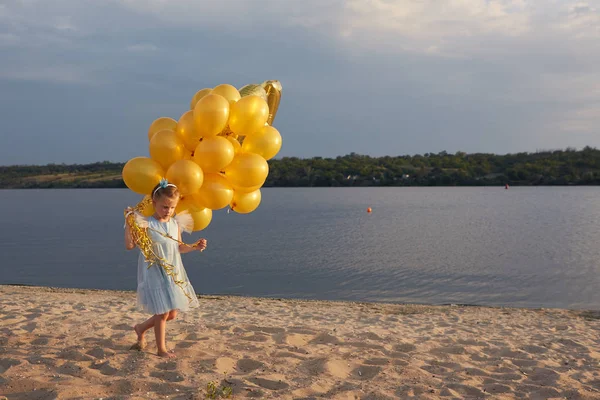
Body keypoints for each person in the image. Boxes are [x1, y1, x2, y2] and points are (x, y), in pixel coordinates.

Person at [124, 179, 206, 358]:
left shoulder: (175, 223)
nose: (168, 211)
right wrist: (129, 226)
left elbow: (179, 247)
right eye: (164, 207)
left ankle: (140, 328)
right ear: (154, 203)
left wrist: (194, 246)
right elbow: (130, 246)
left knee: (172, 314)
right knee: (162, 313)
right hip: (155, 270)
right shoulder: (147, 225)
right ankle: (161, 350)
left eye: (171, 207)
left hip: (173, 271)